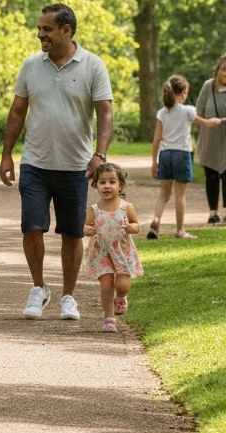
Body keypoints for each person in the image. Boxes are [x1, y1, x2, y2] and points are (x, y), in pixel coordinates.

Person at [0, 3, 114, 322]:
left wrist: (100, 154)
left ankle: (68, 296)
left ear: (66, 30)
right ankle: (39, 288)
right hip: (35, 163)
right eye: (39, 28)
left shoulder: (93, 65)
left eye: (47, 29)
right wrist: (7, 153)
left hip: (75, 165)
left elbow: (105, 112)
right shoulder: (31, 65)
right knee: (32, 228)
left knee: (72, 234)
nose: (40, 34)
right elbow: (17, 112)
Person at [146, 74, 222, 240]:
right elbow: (206, 123)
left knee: (163, 194)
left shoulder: (162, 113)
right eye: (186, 92)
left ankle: (156, 221)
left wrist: (154, 161)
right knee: (180, 195)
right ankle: (180, 231)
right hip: (182, 154)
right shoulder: (188, 111)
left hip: (165, 155)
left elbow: (157, 138)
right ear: (181, 93)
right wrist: (216, 121)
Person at [83, 162, 143, 333]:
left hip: (122, 251)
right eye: (102, 182)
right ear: (96, 185)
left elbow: (136, 225)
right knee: (106, 285)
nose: (107, 186)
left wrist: (132, 228)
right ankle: (109, 318)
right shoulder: (94, 210)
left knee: (122, 284)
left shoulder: (126, 207)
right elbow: (86, 226)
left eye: (112, 182)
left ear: (120, 185)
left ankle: (122, 297)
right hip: (101, 252)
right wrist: (88, 230)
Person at [195, 54, 226, 224]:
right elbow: (198, 111)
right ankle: (213, 212)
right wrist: (206, 122)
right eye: (224, 70)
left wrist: (221, 121)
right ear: (218, 70)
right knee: (212, 177)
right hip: (209, 140)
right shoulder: (208, 86)